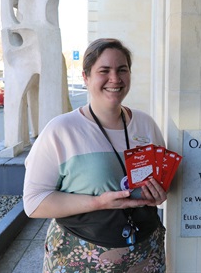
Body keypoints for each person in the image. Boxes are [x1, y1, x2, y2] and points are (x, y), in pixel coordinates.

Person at [23, 38, 167, 272]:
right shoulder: (61, 130)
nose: (115, 79)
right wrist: (98, 202)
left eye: (122, 70)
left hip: (145, 255)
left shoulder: (146, 125)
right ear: (86, 77)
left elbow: (162, 187)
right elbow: (34, 203)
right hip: (80, 258)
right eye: (104, 71)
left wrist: (159, 194)